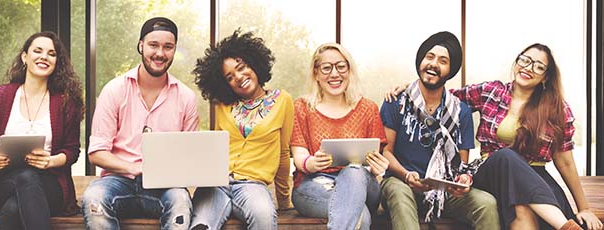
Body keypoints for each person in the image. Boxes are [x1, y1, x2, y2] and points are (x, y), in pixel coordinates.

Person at [447, 44, 600, 230]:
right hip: (490, 171)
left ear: (546, 77)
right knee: (506, 156)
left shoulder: (557, 109)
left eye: (538, 66)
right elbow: (444, 98)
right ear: (517, 61)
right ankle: (565, 227)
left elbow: (566, 162)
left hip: (535, 177)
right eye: (525, 60)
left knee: (522, 207)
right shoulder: (491, 92)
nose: (528, 68)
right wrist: (410, 89)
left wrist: (584, 208)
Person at [81, 17, 198, 230]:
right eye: (153, 45)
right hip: (117, 181)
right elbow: (96, 153)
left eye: (168, 47)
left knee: (181, 201)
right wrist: (134, 168)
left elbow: (189, 157)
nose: (160, 53)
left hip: (164, 186)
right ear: (141, 45)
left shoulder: (186, 97)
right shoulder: (114, 90)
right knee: (94, 198)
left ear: (174, 50)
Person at [379, 31, 499, 229]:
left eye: (443, 61)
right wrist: (406, 175)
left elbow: (461, 165)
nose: (434, 64)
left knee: (486, 203)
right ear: (420, 61)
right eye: (429, 57)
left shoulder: (461, 112)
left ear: (450, 70)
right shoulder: (397, 102)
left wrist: (463, 180)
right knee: (398, 191)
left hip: (443, 192)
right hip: (401, 183)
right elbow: (385, 152)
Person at [0, 31, 84, 230]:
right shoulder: (0, 95)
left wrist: (51, 161)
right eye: (38, 51)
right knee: (23, 181)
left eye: (51, 54)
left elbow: (72, 150)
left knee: (17, 201)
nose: (44, 57)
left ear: (56, 62)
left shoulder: (65, 101)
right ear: (25, 56)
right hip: (4, 183)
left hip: (51, 185)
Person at [190, 30, 293, 230]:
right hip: (216, 184)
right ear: (224, 84)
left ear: (254, 64)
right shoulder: (222, 106)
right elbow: (215, 149)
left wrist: (283, 200)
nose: (239, 76)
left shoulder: (283, 100)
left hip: (252, 185)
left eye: (242, 67)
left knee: (263, 216)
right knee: (201, 225)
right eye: (229, 77)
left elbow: (283, 152)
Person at [289, 43, 390, 230]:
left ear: (349, 70)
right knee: (362, 217)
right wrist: (311, 163)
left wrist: (377, 168)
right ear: (316, 74)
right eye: (326, 68)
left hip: (364, 184)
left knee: (353, 170)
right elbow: (299, 156)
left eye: (341, 66)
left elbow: (377, 158)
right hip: (314, 184)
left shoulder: (368, 109)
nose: (334, 74)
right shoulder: (302, 107)